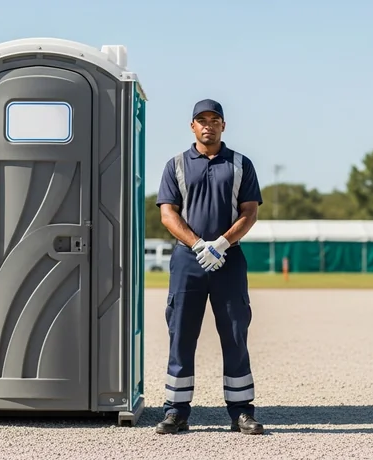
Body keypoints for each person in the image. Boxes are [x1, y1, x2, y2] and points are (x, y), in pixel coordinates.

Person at [154, 99, 264, 435]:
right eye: (201, 120)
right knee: (181, 334)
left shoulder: (241, 164)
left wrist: (221, 243)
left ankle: (241, 412)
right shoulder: (175, 165)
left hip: (229, 260)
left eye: (214, 120)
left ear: (223, 126)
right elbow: (167, 213)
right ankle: (176, 411)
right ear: (192, 126)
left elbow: (249, 212)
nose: (208, 125)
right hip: (189, 261)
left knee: (234, 334)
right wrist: (198, 244)